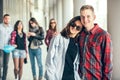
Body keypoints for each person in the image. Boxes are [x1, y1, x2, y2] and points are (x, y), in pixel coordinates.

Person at [78, 5, 113, 80]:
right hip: (80, 77)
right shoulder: (80, 35)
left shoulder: (103, 35)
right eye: (82, 17)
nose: (85, 19)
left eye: (88, 16)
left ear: (94, 17)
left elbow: (108, 63)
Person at [45, 16, 83, 80]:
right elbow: (49, 59)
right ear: (70, 23)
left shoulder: (78, 43)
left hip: (72, 77)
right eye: (73, 24)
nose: (74, 27)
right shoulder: (58, 38)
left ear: (80, 31)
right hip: (58, 77)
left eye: (78, 28)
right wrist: (51, 77)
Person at [0, 14, 13, 80]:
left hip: (7, 48)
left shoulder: (11, 28)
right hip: (0, 48)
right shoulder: (0, 26)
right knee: (0, 63)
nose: (7, 20)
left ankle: (4, 78)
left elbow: (13, 37)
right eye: (6, 18)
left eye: (8, 18)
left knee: (6, 64)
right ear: (3, 19)